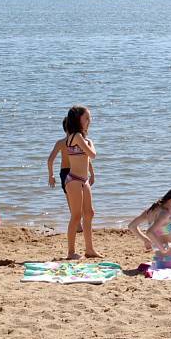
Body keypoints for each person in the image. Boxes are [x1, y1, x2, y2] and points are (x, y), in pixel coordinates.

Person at [63, 105, 101, 259]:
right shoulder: (77, 136)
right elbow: (92, 154)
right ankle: (71, 252)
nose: (89, 121)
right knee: (76, 216)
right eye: (86, 118)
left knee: (89, 213)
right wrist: (91, 142)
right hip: (73, 180)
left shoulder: (81, 138)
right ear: (78, 119)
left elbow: (86, 158)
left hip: (83, 180)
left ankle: (89, 249)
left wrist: (91, 173)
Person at [47, 117, 94, 232]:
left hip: (66, 172)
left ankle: (78, 223)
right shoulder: (78, 141)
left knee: (71, 199)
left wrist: (51, 175)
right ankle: (78, 224)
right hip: (75, 171)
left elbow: (50, 160)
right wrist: (92, 173)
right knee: (78, 199)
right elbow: (86, 158)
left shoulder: (61, 142)